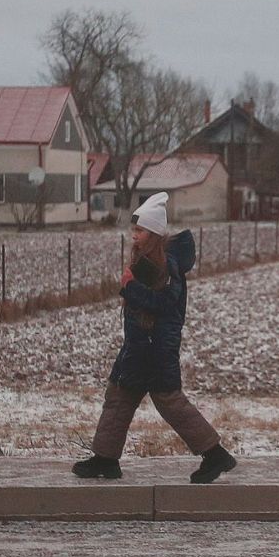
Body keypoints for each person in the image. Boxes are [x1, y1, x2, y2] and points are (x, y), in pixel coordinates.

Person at [72, 192, 237, 484]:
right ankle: (105, 459)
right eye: (134, 230)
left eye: (140, 231)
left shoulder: (165, 265)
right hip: (140, 346)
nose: (134, 236)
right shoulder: (150, 259)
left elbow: (164, 304)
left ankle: (216, 455)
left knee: (170, 403)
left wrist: (129, 287)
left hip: (155, 348)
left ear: (155, 233)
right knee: (118, 396)